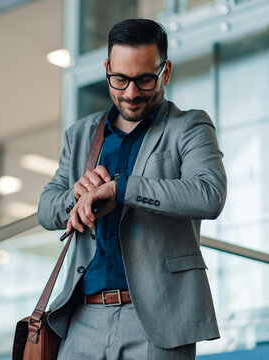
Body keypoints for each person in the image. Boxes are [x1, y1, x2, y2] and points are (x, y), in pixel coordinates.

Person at [38, 19, 226, 359]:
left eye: (144, 79)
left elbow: (208, 195)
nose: (130, 93)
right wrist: (77, 196)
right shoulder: (80, 134)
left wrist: (121, 189)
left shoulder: (190, 126)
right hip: (82, 318)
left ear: (165, 71)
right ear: (107, 69)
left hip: (159, 320)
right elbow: (46, 209)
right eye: (120, 79)